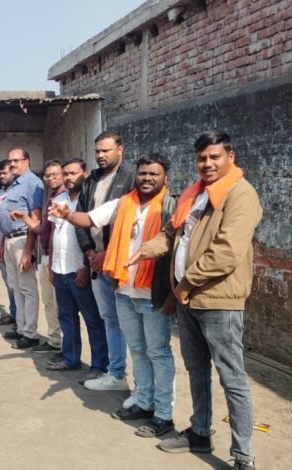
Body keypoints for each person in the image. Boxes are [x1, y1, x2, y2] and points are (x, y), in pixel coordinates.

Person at [131, 132, 262, 469]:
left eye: (214, 157)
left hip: (218, 300)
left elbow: (226, 252)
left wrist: (186, 283)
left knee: (232, 377)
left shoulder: (241, 195)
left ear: (230, 157)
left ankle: (243, 456)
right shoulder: (197, 193)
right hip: (187, 298)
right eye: (202, 158)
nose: (207, 164)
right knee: (196, 369)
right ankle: (200, 433)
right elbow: (173, 233)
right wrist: (146, 250)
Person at [51, 154, 177, 438]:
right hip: (125, 289)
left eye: (153, 174)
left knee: (158, 352)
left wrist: (174, 292)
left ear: (165, 177)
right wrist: (67, 215)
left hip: (154, 292)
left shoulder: (171, 207)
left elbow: (176, 248)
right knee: (138, 349)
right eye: (143, 173)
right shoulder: (123, 203)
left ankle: (163, 413)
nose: (147, 178)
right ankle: (143, 400)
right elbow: (89, 219)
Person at [14, 159, 108, 378]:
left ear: (84, 174)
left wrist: (86, 266)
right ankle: (71, 358)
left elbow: (94, 235)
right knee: (66, 318)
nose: (69, 177)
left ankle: (99, 366)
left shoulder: (89, 200)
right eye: (66, 174)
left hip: (80, 270)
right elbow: (54, 235)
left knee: (93, 320)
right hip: (60, 268)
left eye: (73, 173)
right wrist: (52, 267)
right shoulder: (59, 200)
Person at [76, 130, 135, 391]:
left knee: (131, 323)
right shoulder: (91, 180)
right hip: (97, 263)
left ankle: (136, 382)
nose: (100, 155)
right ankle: (116, 373)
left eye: (106, 150)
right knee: (110, 319)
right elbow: (81, 218)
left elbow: (131, 224)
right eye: (97, 150)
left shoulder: (131, 177)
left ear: (120, 150)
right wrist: (90, 253)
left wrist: (108, 254)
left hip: (121, 263)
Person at [0, 148, 44, 349]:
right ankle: (21, 328)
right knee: (16, 287)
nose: (12, 164)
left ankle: (30, 334)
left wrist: (27, 251)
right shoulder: (13, 185)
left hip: (23, 239)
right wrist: (2, 243)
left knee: (27, 289)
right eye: (10, 161)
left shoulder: (32, 183)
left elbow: (35, 218)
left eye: (16, 160)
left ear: (26, 161)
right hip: (9, 240)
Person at [34, 160, 65, 355]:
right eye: (48, 175)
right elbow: (42, 230)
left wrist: (52, 263)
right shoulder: (52, 198)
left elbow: (56, 234)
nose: (51, 178)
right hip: (45, 256)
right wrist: (24, 218)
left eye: (55, 174)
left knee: (59, 304)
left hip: (56, 260)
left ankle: (65, 345)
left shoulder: (65, 199)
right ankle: (54, 340)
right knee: (48, 302)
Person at [0, 159, 17, 325]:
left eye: (5, 173)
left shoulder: (16, 191)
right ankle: (14, 313)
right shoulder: (1, 192)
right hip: (1, 242)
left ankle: (20, 318)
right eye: (0, 174)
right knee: (8, 281)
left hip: (12, 241)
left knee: (17, 283)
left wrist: (2, 243)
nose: (2, 176)